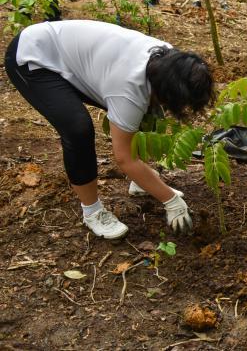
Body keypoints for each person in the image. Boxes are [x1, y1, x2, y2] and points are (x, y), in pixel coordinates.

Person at [5, 20, 212, 238]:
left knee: (149, 110)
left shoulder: (172, 62)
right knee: (78, 130)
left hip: (74, 56)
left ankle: (141, 181)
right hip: (33, 58)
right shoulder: (128, 89)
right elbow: (124, 158)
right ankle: (92, 212)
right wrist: (171, 200)